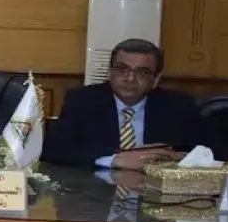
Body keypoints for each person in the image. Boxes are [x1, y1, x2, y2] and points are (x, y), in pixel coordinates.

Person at [44, 38, 203, 170]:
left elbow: (207, 152)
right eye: (122, 69)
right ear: (109, 72)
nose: (130, 78)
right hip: (96, 191)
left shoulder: (178, 106)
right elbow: (54, 150)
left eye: (142, 72)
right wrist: (114, 160)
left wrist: (175, 157)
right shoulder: (82, 100)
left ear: (156, 79)